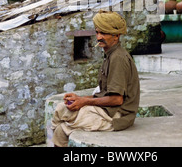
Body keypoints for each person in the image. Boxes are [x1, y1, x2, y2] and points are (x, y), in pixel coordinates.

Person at [49, 10, 140, 147]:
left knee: (62, 128)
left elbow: (117, 99)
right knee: (61, 109)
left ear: (116, 36)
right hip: (106, 110)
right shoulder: (110, 55)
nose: (98, 37)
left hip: (116, 116)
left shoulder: (118, 58)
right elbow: (105, 93)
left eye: (103, 33)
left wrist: (84, 101)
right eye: (97, 32)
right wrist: (79, 99)